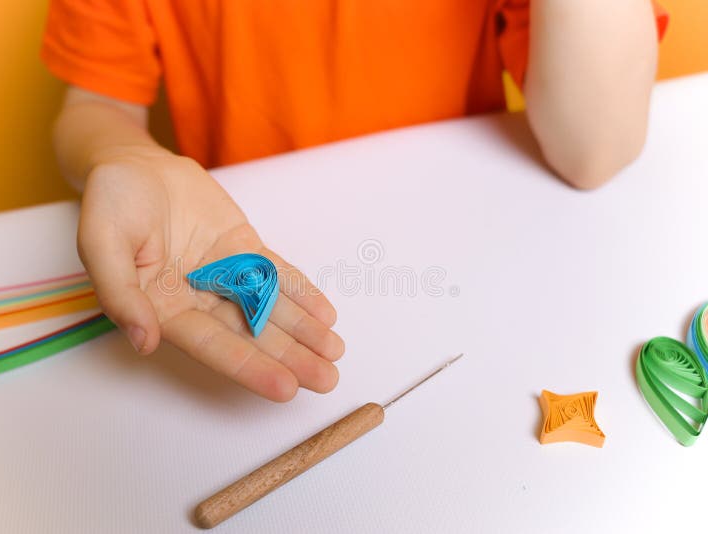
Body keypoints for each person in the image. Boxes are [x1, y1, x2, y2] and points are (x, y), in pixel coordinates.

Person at [42, 1, 666, 402]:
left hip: (464, 275)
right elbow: (94, 105)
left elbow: (596, 148)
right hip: (255, 246)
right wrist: (125, 156)